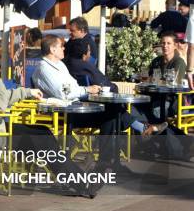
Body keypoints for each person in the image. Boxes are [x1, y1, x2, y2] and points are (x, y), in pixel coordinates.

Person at [0, 39, 94, 196]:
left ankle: (76, 179)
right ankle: (80, 182)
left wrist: (27, 92)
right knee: (42, 142)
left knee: (42, 132)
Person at [33, 35, 167, 137]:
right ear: (52, 49)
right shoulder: (44, 69)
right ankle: (138, 132)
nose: (64, 48)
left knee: (112, 110)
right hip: (64, 112)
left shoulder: (59, 65)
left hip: (75, 106)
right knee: (112, 113)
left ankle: (109, 160)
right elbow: (64, 93)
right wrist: (87, 90)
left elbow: (71, 87)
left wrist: (90, 92)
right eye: (61, 45)